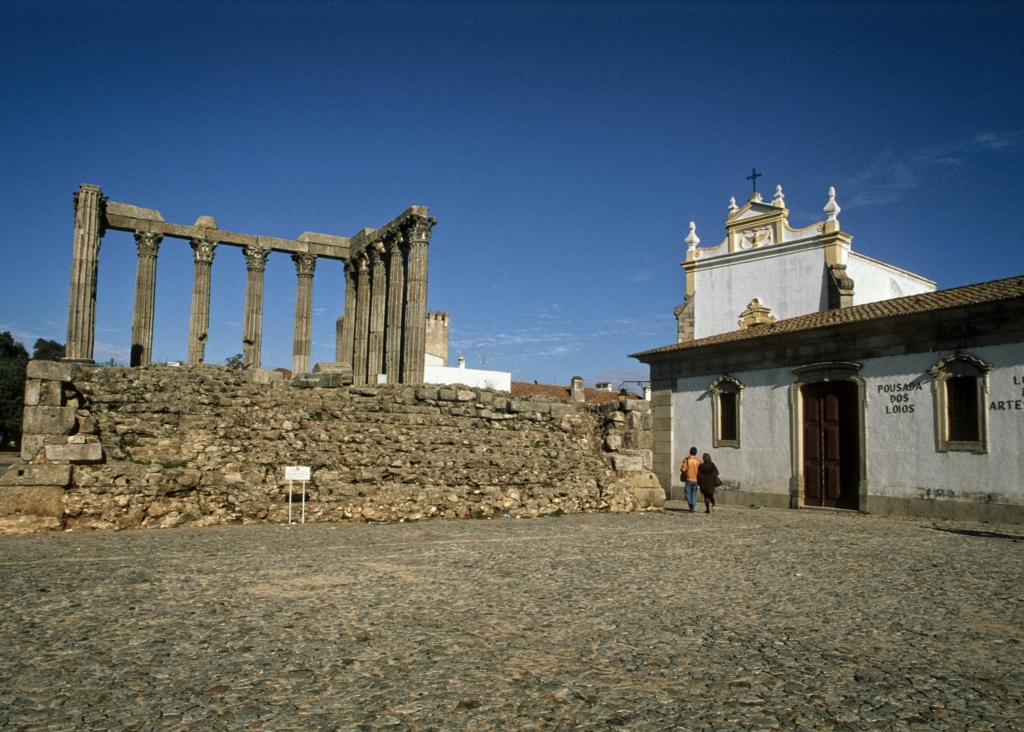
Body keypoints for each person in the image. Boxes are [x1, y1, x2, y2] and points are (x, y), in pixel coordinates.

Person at [680, 447, 702, 513]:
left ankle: (690, 503)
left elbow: (683, 469)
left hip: (689, 478)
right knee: (694, 494)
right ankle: (693, 508)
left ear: (690, 452)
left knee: (687, 493)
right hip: (696, 479)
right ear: (696, 452)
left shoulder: (687, 460)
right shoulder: (698, 461)